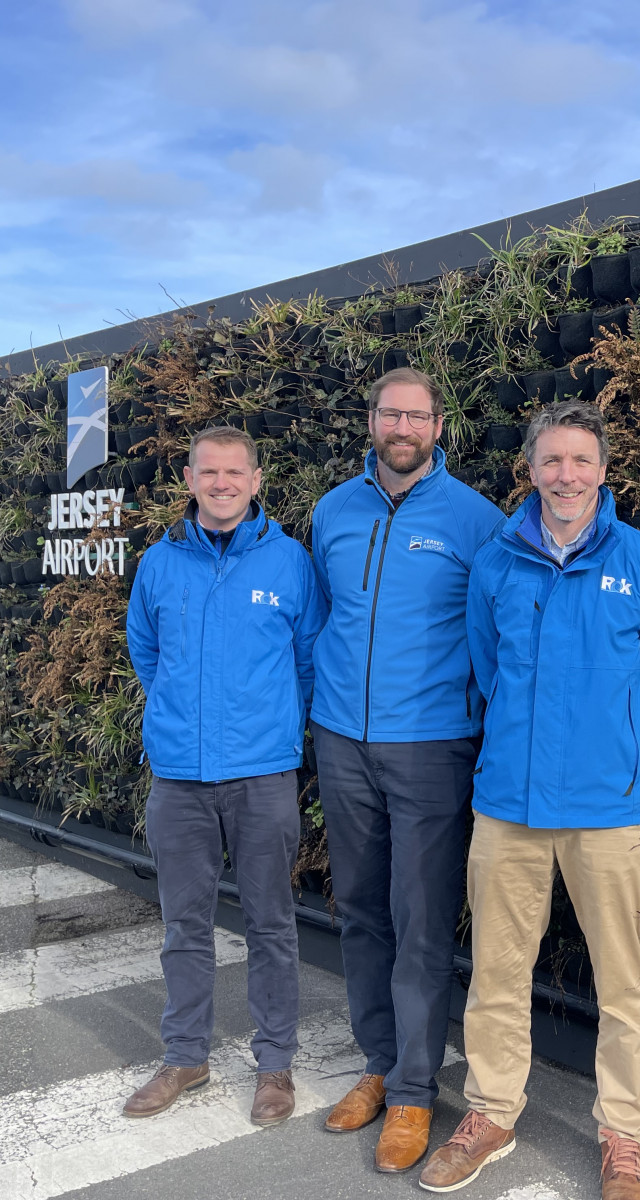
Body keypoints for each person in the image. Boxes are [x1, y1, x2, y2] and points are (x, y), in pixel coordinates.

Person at [421, 401, 640, 1199]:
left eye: (581, 461)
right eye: (551, 461)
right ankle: (492, 1114)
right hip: (508, 805)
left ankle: (623, 1136)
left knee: (623, 983)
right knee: (498, 976)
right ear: (531, 469)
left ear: (604, 470)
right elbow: (486, 668)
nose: (566, 476)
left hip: (609, 809)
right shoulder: (497, 563)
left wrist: (630, 758)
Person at [310, 367, 504, 1172]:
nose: (403, 426)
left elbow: (493, 638)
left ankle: (417, 1093)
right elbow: (323, 616)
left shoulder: (477, 520)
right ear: (371, 419)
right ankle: (379, 1066)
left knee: (421, 917)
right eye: (391, 412)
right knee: (359, 906)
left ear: (436, 426)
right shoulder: (330, 511)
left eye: (417, 415)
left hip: (430, 746)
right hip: (341, 741)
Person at [123, 425, 326, 1124]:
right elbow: (147, 654)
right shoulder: (159, 564)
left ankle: (275, 1065)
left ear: (256, 479)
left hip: (262, 775)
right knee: (184, 925)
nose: (221, 483)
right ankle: (186, 1056)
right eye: (208, 473)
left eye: (234, 472)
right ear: (188, 479)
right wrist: (184, 722)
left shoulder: (290, 563)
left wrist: (269, 732)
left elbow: (306, 662)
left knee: (271, 924)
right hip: (179, 778)